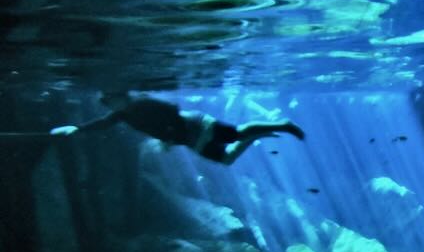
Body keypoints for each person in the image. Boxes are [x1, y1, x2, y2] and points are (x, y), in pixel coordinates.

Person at [50, 92, 305, 164]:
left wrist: (168, 137)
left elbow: (172, 110)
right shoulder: (122, 116)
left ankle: (282, 124)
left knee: (236, 134)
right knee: (226, 158)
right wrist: (76, 128)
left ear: (121, 96)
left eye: (112, 101)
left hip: (195, 125)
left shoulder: (142, 103)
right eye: (108, 104)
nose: (111, 106)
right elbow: (103, 123)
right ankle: (258, 135)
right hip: (187, 139)